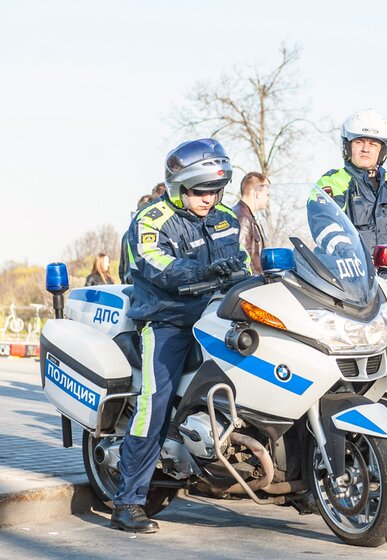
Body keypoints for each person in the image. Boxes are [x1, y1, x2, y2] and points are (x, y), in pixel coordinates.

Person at [112, 138, 249, 534]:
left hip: (214, 315)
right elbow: (157, 266)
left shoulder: (226, 218)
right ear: (178, 186)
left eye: (215, 190)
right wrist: (202, 273)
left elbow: (237, 261)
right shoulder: (151, 219)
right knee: (153, 402)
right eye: (200, 191)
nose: (209, 198)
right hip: (166, 320)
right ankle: (129, 502)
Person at [315, 109, 387, 251]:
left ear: (382, 151)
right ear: (347, 146)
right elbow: (324, 224)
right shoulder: (333, 182)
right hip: (348, 269)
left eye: (373, 144)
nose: (365, 149)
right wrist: (345, 252)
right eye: (359, 142)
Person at [232, 172, 270, 274]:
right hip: (252, 284)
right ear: (257, 193)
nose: (268, 198)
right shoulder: (242, 218)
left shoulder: (246, 215)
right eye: (267, 194)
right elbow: (242, 258)